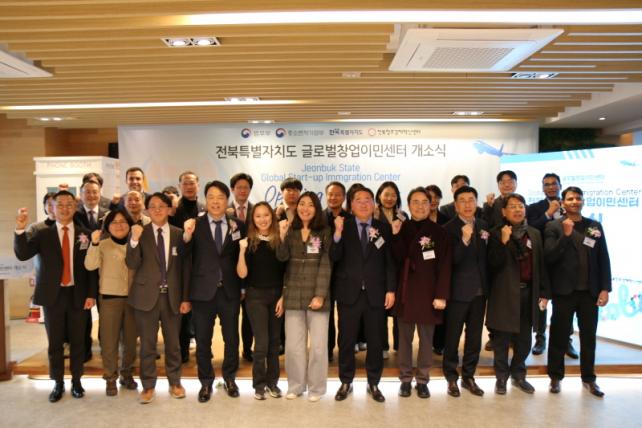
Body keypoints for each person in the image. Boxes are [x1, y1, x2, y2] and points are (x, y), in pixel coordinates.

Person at [14, 190, 98, 402]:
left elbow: (91, 268)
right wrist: (20, 229)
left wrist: (91, 294)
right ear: (52, 207)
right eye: (59, 204)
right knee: (55, 342)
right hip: (53, 295)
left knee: (79, 341)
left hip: (78, 294)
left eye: (69, 204)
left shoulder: (85, 234)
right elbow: (23, 254)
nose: (64, 208)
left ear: (75, 207)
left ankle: (77, 381)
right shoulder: (43, 234)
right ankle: (58, 382)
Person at [181, 180, 246, 402]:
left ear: (227, 200)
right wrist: (186, 236)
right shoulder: (195, 224)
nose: (215, 201)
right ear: (205, 200)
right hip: (202, 292)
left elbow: (242, 257)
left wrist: (243, 286)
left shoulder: (238, 225)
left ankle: (230, 378)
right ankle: (206, 382)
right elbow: (184, 256)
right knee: (203, 340)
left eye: (220, 197)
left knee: (232, 339)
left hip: (230, 291)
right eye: (211, 197)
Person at [331, 186, 396, 403]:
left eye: (367, 199)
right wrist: (337, 234)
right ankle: (346, 381)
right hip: (348, 293)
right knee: (346, 340)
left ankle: (374, 382)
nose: (363, 203)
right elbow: (334, 256)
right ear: (351, 205)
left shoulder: (383, 228)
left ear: (374, 204)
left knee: (376, 341)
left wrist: (391, 289)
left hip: (376, 293)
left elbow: (389, 262)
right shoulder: (343, 226)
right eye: (358, 200)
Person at [545, 186, 611, 397]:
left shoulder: (594, 226)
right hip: (564, 292)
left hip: (590, 292)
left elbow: (603, 258)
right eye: (570, 198)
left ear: (583, 201)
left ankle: (589, 379)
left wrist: (605, 288)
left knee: (589, 337)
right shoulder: (553, 226)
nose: (574, 201)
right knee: (559, 336)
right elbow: (549, 257)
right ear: (563, 202)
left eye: (578, 198)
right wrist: (565, 236)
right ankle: (555, 377)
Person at [126, 192, 191, 404]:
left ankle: (175, 382)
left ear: (170, 209)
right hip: (146, 297)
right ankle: (148, 386)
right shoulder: (139, 233)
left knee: (174, 344)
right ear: (146, 210)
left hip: (173, 297)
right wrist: (133, 241)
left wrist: (185, 298)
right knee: (147, 345)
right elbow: (131, 263)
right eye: (152, 206)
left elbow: (185, 269)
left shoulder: (179, 234)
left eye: (161, 205)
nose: (157, 209)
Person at [486, 193, 550, 395]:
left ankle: (519, 374)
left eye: (520, 206)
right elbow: (491, 264)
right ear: (504, 212)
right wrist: (504, 242)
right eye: (512, 206)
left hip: (528, 293)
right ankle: (501, 377)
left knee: (524, 340)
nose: (517, 210)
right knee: (501, 340)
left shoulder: (534, 234)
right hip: (503, 293)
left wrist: (544, 292)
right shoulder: (496, 233)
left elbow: (541, 266)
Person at [391, 187, 452, 399]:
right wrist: (395, 236)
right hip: (405, 292)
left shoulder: (439, 232)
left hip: (428, 293)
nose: (420, 206)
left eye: (424, 202)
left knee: (427, 341)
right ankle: (405, 379)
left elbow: (445, 266)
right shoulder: (401, 228)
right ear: (408, 205)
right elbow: (396, 260)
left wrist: (441, 295)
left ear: (431, 204)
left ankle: (423, 379)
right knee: (404, 340)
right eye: (415, 202)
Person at [276, 191, 331, 402]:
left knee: (318, 347)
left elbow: (325, 264)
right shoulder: (291, 230)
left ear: (316, 209)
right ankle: (296, 385)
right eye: (302, 204)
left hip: (317, 295)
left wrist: (320, 295)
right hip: (292, 294)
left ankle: (316, 388)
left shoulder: (323, 231)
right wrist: (281, 236)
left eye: (310, 204)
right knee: (293, 347)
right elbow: (281, 258)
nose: (305, 208)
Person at [84, 208, 138, 395]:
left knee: (130, 341)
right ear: (107, 226)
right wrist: (94, 243)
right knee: (109, 342)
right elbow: (90, 265)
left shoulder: (135, 243)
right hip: (109, 299)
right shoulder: (102, 244)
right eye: (114, 222)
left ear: (129, 224)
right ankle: (110, 377)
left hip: (133, 300)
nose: (119, 225)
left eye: (123, 221)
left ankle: (127, 373)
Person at [442, 186, 489, 397]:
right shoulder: (448, 229)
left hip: (480, 292)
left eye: (471, 200)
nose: (468, 204)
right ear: (455, 205)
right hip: (457, 292)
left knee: (474, 337)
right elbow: (449, 262)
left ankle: (469, 376)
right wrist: (464, 240)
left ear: (476, 202)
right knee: (452, 336)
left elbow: (487, 259)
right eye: (463, 200)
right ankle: (451, 377)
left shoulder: (484, 226)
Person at [237, 202, 286, 400]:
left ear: (272, 217)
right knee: (262, 343)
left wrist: (283, 297)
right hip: (255, 296)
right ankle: (259, 385)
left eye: (266, 215)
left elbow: (286, 271)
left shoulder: (279, 240)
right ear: (253, 219)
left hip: (277, 296)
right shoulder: (248, 242)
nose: (263, 219)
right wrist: (241, 251)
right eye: (258, 216)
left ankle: (273, 383)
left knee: (275, 343)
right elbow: (242, 273)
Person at [527, 173, 578, 359]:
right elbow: (530, 228)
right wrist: (548, 213)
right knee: (542, 302)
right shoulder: (535, 208)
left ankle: (567, 340)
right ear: (542, 188)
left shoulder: (569, 206)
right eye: (547, 184)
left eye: (554, 184)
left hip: (565, 263)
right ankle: (540, 338)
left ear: (560, 185)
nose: (550, 187)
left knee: (566, 303)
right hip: (542, 261)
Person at [169, 171, 205, 364]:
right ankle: (182, 350)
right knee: (181, 312)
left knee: (201, 313)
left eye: (192, 183)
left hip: (201, 267)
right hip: (180, 265)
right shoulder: (173, 211)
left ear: (198, 185)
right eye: (185, 183)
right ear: (180, 186)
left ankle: (203, 349)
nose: (189, 187)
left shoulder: (204, 208)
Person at [75, 179, 109, 361]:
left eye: (95, 191)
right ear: (81, 194)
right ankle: (85, 350)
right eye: (87, 192)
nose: (91, 195)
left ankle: (106, 348)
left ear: (100, 193)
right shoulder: (74, 214)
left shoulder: (108, 214)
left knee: (106, 313)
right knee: (82, 316)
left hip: (105, 270)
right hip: (82, 271)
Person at [374, 181, 407, 356]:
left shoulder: (402, 215)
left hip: (399, 266)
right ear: (379, 195)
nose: (389, 198)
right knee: (380, 310)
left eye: (393, 195)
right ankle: (382, 346)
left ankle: (400, 346)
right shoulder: (372, 213)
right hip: (379, 266)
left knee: (398, 310)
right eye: (386, 194)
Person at [229, 173, 255, 362]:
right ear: (232, 189)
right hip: (229, 272)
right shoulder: (224, 211)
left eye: (246, 187)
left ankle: (247, 349)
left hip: (252, 272)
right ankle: (232, 353)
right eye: (239, 187)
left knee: (249, 315)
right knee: (230, 316)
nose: (242, 190)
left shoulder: (257, 211)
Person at [324, 181, 349, 362]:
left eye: (338, 194)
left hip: (344, 275)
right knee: (325, 316)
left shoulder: (351, 219)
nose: (333, 197)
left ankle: (345, 350)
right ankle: (327, 350)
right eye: (331, 194)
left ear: (344, 197)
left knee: (345, 317)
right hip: (323, 274)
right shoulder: (318, 217)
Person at [425, 184, 449, 356]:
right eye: (429, 197)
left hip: (441, 268)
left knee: (441, 309)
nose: (433, 201)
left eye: (436, 197)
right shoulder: (417, 218)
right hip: (424, 271)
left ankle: (439, 344)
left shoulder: (446, 219)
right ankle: (426, 343)